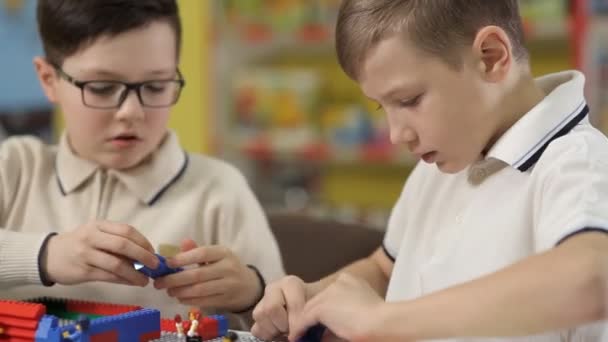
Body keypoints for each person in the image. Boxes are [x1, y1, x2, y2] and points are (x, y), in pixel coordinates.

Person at [251, 0, 608, 341]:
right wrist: (314, 301)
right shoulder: (442, 161)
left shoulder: (577, 162)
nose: (396, 134)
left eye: (409, 101)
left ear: (490, 57)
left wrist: (382, 321)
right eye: (382, 107)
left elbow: (593, 279)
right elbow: (386, 269)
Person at [0, 0, 284, 327]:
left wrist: (252, 292)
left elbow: (289, 321)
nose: (132, 112)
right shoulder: (15, 168)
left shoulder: (219, 190)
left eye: (155, 86)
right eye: (102, 88)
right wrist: (46, 255)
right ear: (49, 80)